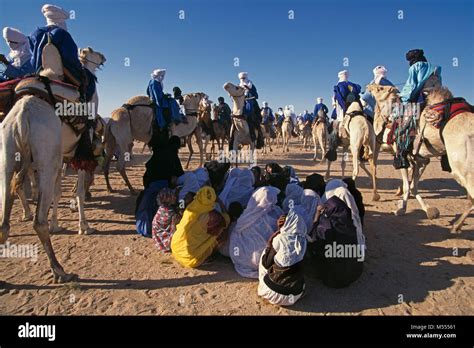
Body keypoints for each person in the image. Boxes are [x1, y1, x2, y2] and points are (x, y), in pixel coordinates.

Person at [229, 186, 284, 278]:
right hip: (266, 260)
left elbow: (236, 238)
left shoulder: (246, 215)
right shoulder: (276, 212)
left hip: (244, 259)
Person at [257, 207, 307, 306]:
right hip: (294, 295)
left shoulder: (279, 239)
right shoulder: (304, 241)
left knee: (265, 253)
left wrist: (271, 242)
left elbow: (266, 263)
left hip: (271, 292)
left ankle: (263, 285)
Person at [171, 186, 230, 268]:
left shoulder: (191, 208)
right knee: (220, 232)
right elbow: (227, 219)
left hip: (175, 247)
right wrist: (219, 202)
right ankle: (206, 256)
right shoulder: (214, 217)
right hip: (190, 259)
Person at [29, 4, 84, 87]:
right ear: (61, 21)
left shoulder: (33, 34)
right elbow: (70, 57)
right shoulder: (63, 34)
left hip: (38, 72)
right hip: (61, 74)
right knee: (86, 81)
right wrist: (80, 68)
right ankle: (82, 96)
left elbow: (32, 59)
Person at [332, 70, 362, 137]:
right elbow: (357, 92)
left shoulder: (339, 85)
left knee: (336, 120)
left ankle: (336, 137)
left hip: (344, 104)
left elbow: (339, 97)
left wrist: (343, 106)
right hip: (355, 104)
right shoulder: (352, 85)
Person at [152, 188, 181, 252]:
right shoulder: (169, 212)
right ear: (168, 199)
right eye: (172, 196)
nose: (174, 197)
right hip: (162, 236)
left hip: (157, 234)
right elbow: (177, 219)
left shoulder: (162, 207)